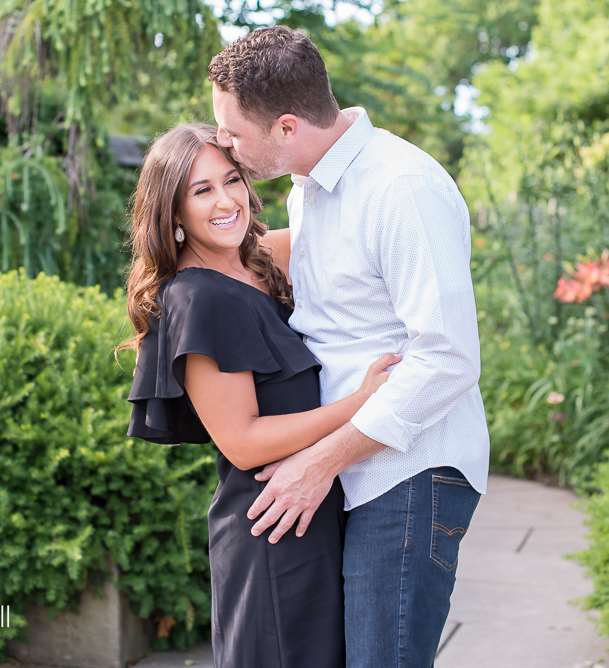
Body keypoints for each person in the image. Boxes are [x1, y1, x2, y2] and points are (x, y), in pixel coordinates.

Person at [208, 26, 491, 668]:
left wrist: (321, 461)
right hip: (350, 472)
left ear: (285, 127)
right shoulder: (311, 184)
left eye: (232, 132)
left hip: (407, 472)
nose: (224, 143)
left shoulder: (400, 188)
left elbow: (446, 359)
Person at [122, 121, 400, 668]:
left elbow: (355, 223)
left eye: (232, 180)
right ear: (172, 213)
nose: (226, 201)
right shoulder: (198, 298)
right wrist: (362, 402)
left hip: (318, 512)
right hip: (272, 533)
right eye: (201, 191)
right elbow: (244, 443)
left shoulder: (262, 262)